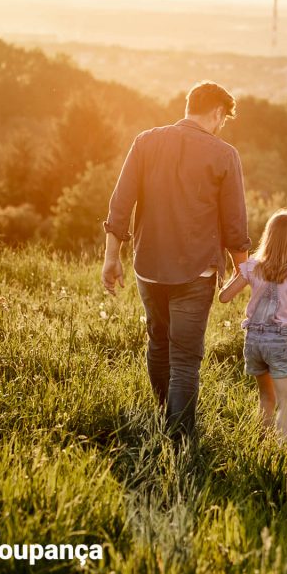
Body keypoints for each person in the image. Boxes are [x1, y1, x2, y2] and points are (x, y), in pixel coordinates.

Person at [101, 81, 250, 438]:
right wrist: (243, 268)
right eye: (222, 120)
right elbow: (234, 223)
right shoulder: (224, 154)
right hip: (195, 273)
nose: (221, 127)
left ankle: (162, 415)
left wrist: (111, 258)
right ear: (216, 112)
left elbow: (120, 204)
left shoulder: (145, 141)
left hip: (148, 267)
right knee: (185, 359)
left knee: (158, 343)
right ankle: (180, 440)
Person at [218, 210, 287, 444]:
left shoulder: (253, 267)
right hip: (280, 342)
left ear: (269, 236)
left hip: (254, 341)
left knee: (266, 398)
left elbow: (224, 297)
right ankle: (279, 449)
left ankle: (262, 443)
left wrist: (230, 276)